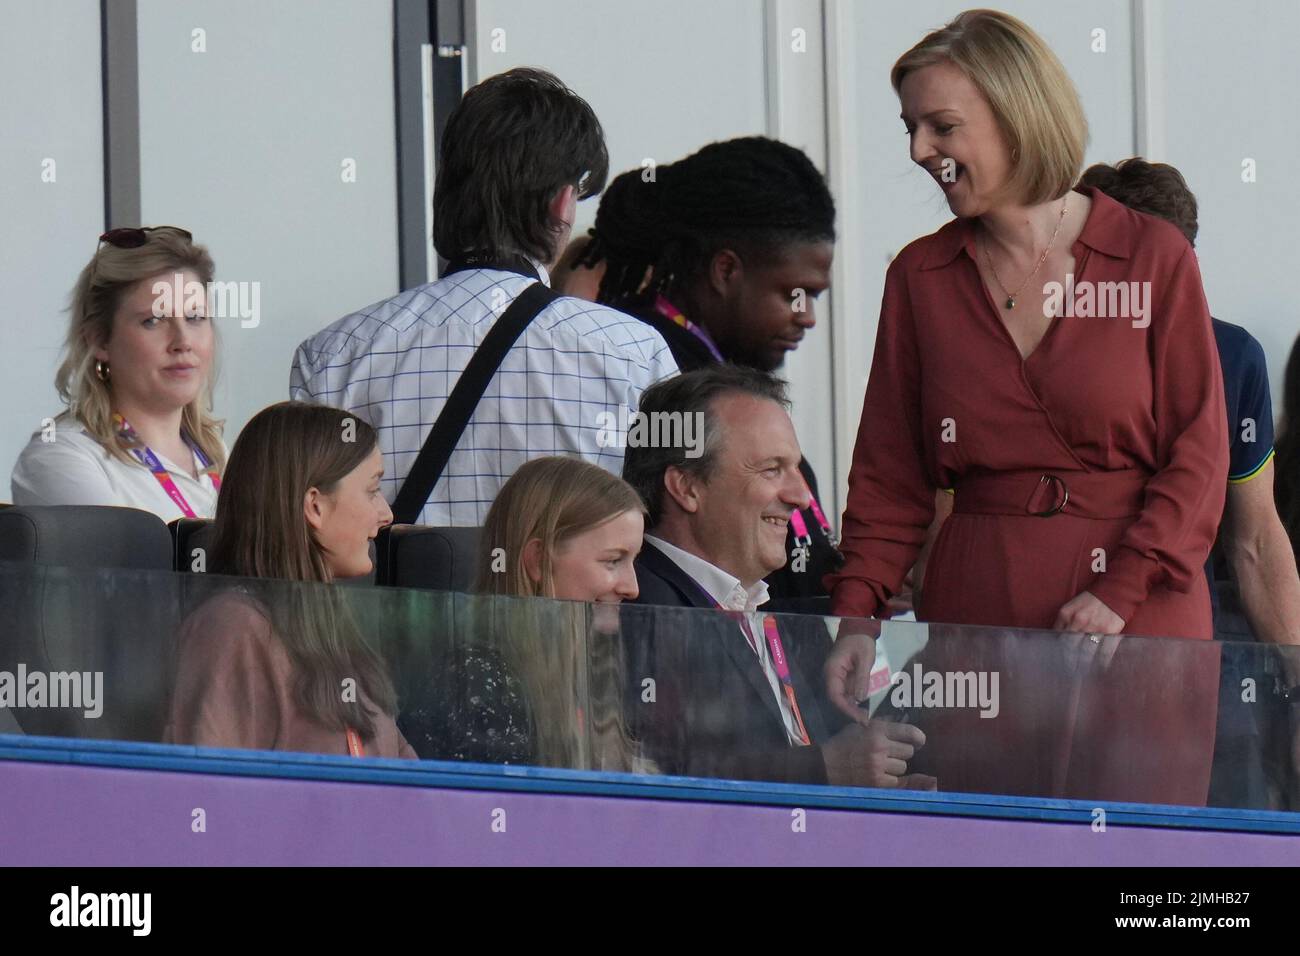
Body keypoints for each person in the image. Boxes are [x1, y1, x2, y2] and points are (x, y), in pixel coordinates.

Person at [824, 11, 1228, 805]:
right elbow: (890, 474)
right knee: (992, 840)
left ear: (1017, 113)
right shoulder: (920, 276)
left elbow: (1201, 451)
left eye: (942, 126)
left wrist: (1123, 588)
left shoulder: (1153, 255)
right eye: (910, 128)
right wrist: (855, 617)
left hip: (1142, 609)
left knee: (1142, 867)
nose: (917, 152)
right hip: (982, 610)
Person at [291, 68, 677, 526]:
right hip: (568, 601)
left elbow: (309, 541)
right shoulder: (635, 352)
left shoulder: (332, 355)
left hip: (392, 600)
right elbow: (668, 530)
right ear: (561, 201)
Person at [622, 365, 933, 789]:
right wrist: (825, 769)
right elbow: (646, 777)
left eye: (796, 469)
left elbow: (834, 752)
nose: (801, 496)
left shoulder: (788, 619)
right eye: (771, 470)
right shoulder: (636, 609)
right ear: (687, 487)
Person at [577, 138, 840, 610]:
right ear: (726, 270)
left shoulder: (727, 379)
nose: (808, 316)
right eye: (795, 293)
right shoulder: (646, 368)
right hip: (699, 660)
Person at [165, 402, 415, 759]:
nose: (386, 514)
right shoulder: (233, 627)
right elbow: (207, 792)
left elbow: (411, 785)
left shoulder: (327, 626)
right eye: (372, 490)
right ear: (314, 506)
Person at [12, 226, 225, 520]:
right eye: (153, 320)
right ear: (99, 339)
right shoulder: (61, 458)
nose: (183, 341)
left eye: (195, 317)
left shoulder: (219, 455)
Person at [450, 455, 647, 771]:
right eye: (613, 561)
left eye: (633, 561)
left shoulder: (599, 666)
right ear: (538, 560)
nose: (632, 587)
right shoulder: (478, 682)